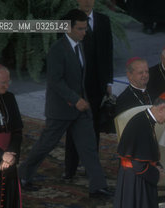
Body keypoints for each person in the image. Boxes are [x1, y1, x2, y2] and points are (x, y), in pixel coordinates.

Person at [18, 9, 112, 198]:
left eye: (85, 28)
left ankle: (98, 186)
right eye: (80, 29)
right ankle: (21, 176)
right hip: (61, 109)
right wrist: (75, 99)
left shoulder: (80, 46)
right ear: (68, 28)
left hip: (80, 110)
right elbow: (55, 81)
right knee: (46, 144)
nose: (84, 32)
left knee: (89, 147)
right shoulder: (57, 50)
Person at [63, 0, 114, 180]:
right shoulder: (66, 21)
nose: (86, 2)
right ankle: (70, 168)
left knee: (94, 127)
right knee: (74, 126)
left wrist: (109, 81)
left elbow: (108, 51)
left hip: (96, 85)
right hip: (76, 84)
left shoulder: (104, 20)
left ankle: (90, 167)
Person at [0, 65, 31, 208]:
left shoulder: (9, 98)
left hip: (9, 160)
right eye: (3, 82)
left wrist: (11, 154)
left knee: (10, 206)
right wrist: (0, 156)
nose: (7, 85)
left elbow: (17, 131)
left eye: (8, 81)